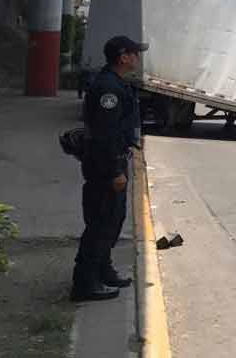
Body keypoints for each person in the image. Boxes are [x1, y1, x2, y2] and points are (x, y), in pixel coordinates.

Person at [71, 36, 147, 301]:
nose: (138, 58)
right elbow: (105, 134)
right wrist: (115, 170)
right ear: (123, 57)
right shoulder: (108, 89)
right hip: (105, 166)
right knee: (101, 224)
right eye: (135, 53)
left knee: (113, 221)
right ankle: (85, 283)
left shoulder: (116, 83)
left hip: (112, 161)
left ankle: (103, 270)